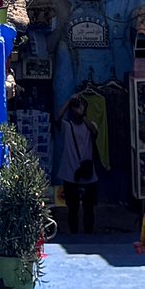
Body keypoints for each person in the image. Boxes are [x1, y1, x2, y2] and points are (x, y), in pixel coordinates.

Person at [55, 97, 100, 236]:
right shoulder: (67, 126)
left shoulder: (90, 125)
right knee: (72, 208)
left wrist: (82, 114)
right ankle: (74, 234)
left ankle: (88, 234)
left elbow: (94, 132)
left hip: (88, 174)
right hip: (70, 173)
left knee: (89, 208)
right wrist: (68, 102)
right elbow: (57, 119)